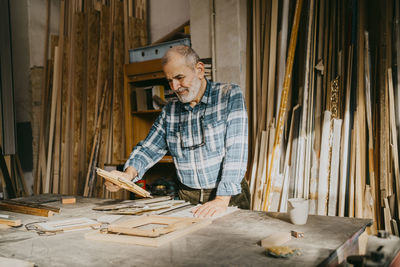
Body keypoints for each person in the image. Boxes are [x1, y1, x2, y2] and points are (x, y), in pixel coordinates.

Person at [105, 45, 250, 218]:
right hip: (188, 197)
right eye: (169, 80)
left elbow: (236, 151)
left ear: (199, 70)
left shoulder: (229, 95)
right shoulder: (170, 111)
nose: (175, 86)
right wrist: (127, 175)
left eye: (180, 77)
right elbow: (148, 148)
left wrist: (221, 199)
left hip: (227, 195)